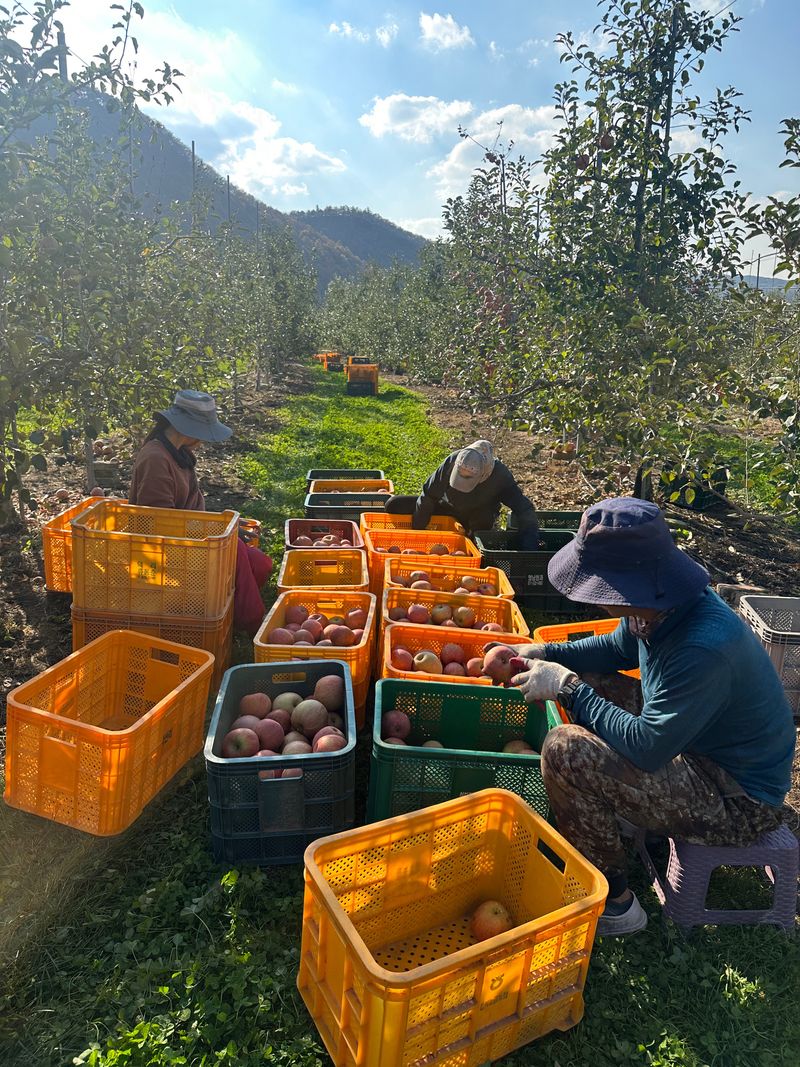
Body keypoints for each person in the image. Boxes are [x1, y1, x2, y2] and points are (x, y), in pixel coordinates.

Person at [506, 497, 795, 936]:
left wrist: (567, 685)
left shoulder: (703, 646)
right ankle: (622, 816)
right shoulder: (659, 607)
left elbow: (647, 747)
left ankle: (615, 904)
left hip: (736, 801)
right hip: (699, 751)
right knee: (598, 686)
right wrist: (546, 653)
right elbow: (616, 649)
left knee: (567, 750)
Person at [128, 389, 272, 636]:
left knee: (260, 563)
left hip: (191, 537)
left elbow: (187, 510)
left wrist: (219, 525)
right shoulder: (155, 459)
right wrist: (215, 530)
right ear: (186, 428)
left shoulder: (178, 452)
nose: (203, 440)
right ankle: (253, 625)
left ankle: (223, 606)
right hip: (168, 549)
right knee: (235, 552)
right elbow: (160, 523)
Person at [384, 440, 540, 547]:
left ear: (484, 472)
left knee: (484, 518)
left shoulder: (499, 476)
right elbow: (428, 496)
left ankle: (471, 543)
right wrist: (417, 535)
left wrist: (529, 546)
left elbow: (524, 508)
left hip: (477, 517)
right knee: (394, 504)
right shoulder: (452, 461)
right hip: (446, 508)